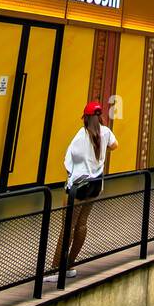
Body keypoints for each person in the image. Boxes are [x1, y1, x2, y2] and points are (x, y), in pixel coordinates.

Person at [48, 99, 117, 280]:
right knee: (82, 223)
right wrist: (101, 153)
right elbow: (115, 146)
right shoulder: (106, 133)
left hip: (78, 186)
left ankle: (56, 269)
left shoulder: (81, 136)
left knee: (67, 227)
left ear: (85, 118)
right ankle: (70, 264)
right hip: (95, 184)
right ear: (99, 117)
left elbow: (71, 161)